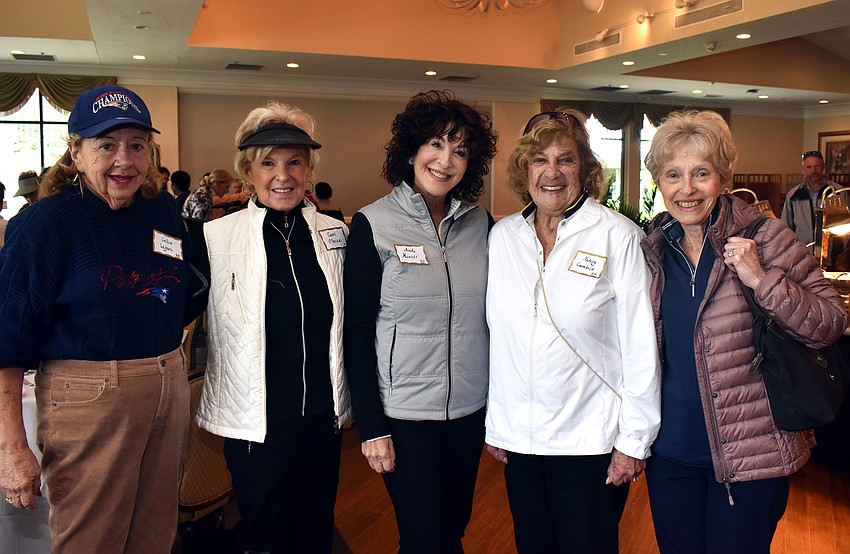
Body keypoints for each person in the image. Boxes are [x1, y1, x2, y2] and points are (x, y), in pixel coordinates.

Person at [641, 110, 847, 553]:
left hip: (751, 456)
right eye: (673, 175)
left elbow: (830, 321)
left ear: (723, 177)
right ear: (659, 181)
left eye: (701, 173)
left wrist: (762, 280)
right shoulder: (654, 248)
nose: (687, 189)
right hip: (671, 454)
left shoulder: (767, 237)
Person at [0, 84, 192, 553]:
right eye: (107, 145)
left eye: (137, 145)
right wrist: (11, 447)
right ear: (75, 152)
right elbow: (6, 340)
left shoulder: (163, 211)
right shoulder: (44, 224)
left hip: (168, 384)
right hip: (89, 396)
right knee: (93, 541)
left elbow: (172, 289)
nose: (124, 159)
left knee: (155, 537)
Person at [484, 108, 661, 554]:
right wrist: (498, 424)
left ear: (586, 169)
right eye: (539, 159)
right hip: (521, 441)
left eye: (566, 159)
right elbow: (499, 342)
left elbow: (641, 344)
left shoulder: (616, 235)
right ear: (524, 168)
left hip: (590, 441)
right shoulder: (503, 237)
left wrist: (633, 441)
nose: (552, 172)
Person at [343, 89, 497, 554]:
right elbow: (356, 331)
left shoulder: (482, 225)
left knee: (452, 529)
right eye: (436, 144)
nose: (446, 160)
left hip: (469, 412)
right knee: (425, 536)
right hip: (405, 415)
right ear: (411, 150)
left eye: (461, 150)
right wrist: (371, 425)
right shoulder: (374, 224)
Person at [193, 101, 350, 554]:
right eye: (269, 163)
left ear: (309, 168)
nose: (283, 175)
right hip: (256, 423)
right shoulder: (215, 238)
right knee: (265, 533)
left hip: (323, 417)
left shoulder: (333, 233)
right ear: (248, 172)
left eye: (295, 162)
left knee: (316, 528)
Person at [780, 150, 839, 251]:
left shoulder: (837, 192)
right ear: (803, 170)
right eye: (809, 167)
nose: (814, 171)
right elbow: (785, 227)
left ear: (823, 167)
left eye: (817, 166)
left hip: (831, 253)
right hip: (802, 253)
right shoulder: (794, 195)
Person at [181, 168, 246, 223]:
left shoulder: (203, 194)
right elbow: (197, 226)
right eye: (226, 187)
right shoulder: (202, 198)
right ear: (217, 184)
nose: (227, 191)